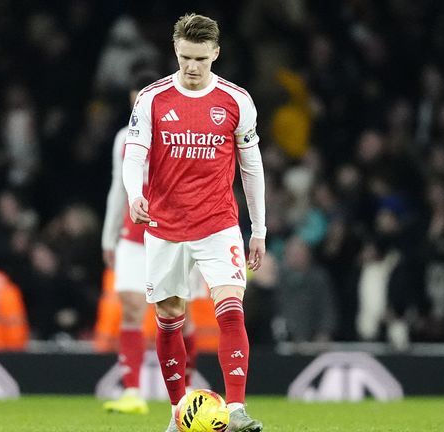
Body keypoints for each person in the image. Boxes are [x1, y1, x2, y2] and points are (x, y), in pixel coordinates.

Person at [122, 13, 265, 432]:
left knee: (231, 310)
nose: (192, 66)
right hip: (165, 225)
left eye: (201, 58)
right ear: (175, 50)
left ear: (216, 54)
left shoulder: (237, 100)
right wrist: (135, 194)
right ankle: (175, 412)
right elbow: (134, 152)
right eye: (185, 56)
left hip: (218, 224)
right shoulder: (152, 98)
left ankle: (236, 411)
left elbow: (251, 167)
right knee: (169, 317)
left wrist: (258, 228)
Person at [100, 70, 206, 414]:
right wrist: (109, 235)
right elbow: (119, 187)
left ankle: (186, 391)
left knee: (180, 315)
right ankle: (132, 392)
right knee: (131, 307)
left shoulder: (178, 129)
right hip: (132, 236)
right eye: (135, 93)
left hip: (176, 234)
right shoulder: (123, 138)